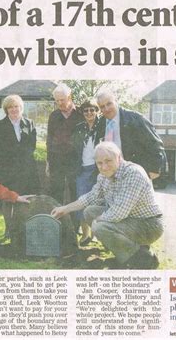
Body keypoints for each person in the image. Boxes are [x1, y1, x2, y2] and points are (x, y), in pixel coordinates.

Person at [51, 142, 164, 269]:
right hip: (129, 219)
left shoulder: (133, 173)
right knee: (89, 212)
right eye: (99, 163)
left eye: (108, 161)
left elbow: (119, 212)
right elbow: (90, 198)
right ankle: (124, 251)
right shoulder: (103, 176)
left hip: (149, 225)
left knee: (99, 227)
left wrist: (98, 223)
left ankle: (143, 259)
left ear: (119, 158)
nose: (104, 167)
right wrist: (65, 209)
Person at [0, 95, 40, 238]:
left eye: (16, 106)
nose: (13, 109)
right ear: (6, 109)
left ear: (21, 108)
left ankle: (22, 230)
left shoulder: (29, 123)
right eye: (10, 107)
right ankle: (9, 229)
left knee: (25, 199)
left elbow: (32, 146)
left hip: (26, 169)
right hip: (8, 170)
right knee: (8, 199)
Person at [96, 89, 167, 180]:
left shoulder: (135, 119)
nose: (106, 109)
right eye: (102, 106)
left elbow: (155, 144)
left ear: (116, 101)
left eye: (109, 104)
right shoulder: (100, 124)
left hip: (133, 173)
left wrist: (154, 170)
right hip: (110, 174)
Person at [46, 84, 84, 209]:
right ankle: (56, 224)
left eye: (62, 100)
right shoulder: (54, 116)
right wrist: (48, 162)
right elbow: (49, 139)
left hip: (75, 160)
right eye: (57, 100)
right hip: (56, 160)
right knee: (55, 193)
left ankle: (74, 225)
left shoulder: (81, 114)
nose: (59, 103)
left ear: (70, 97)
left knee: (75, 193)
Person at [72, 98, 100, 246]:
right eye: (86, 110)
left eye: (92, 110)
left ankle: (96, 234)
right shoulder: (79, 128)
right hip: (82, 170)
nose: (89, 113)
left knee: (97, 202)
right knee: (82, 202)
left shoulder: (103, 126)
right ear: (82, 113)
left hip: (99, 170)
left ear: (97, 111)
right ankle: (85, 235)